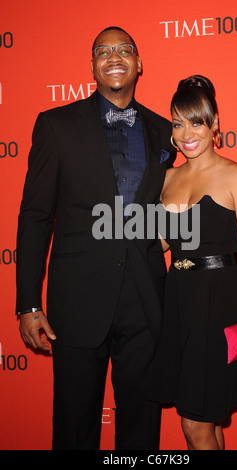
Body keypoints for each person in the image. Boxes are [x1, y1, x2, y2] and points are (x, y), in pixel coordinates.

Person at [16, 26, 176, 450]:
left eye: (124, 49)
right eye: (103, 51)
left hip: (145, 300)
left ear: (140, 64)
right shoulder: (56, 126)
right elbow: (35, 218)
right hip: (77, 301)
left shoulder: (165, 132)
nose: (114, 56)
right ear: (92, 67)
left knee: (142, 429)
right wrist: (29, 303)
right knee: (74, 425)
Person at [151, 75, 237, 450]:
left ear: (215, 124)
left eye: (197, 121)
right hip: (179, 303)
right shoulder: (166, 179)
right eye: (178, 122)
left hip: (221, 303)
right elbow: (158, 245)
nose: (187, 132)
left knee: (194, 423)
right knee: (205, 420)